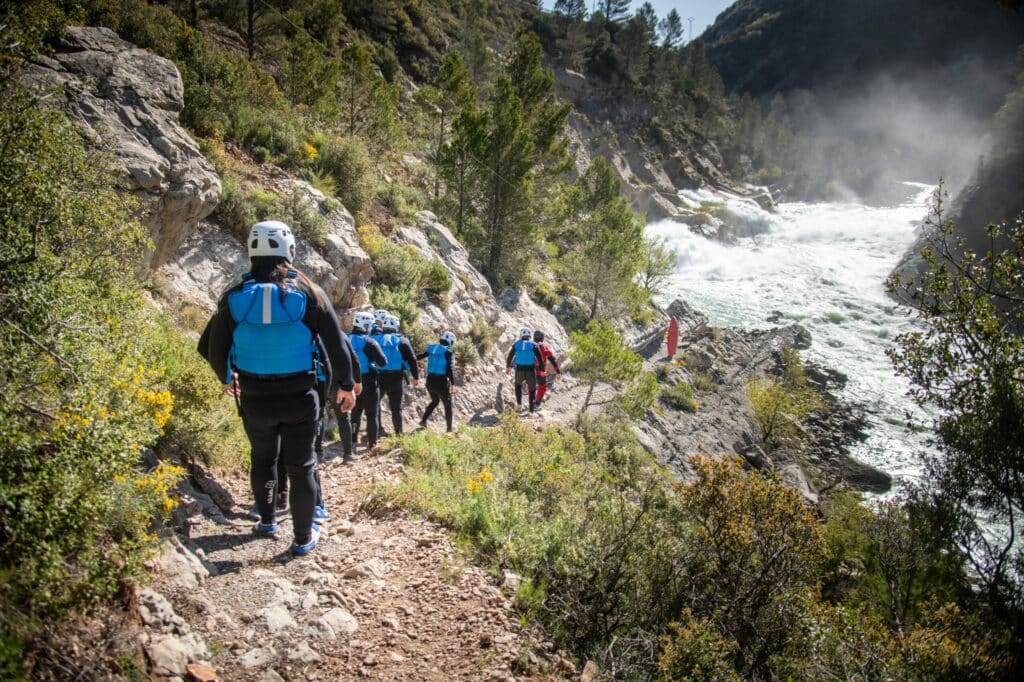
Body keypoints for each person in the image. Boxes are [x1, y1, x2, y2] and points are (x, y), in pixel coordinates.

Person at [201, 220, 355, 556]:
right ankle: (302, 538)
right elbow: (337, 343)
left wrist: (227, 378)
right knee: (301, 466)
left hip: (255, 396)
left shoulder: (234, 297)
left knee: (263, 458)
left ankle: (267, 521)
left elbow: (213, 347)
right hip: (300, 395)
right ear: (290, 251)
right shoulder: (309, 293)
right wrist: (345, 386)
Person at [344, 311, 387, 457]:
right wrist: (372, 363)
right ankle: (372, 443)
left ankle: (353, 440)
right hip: (369, 383)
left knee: (355, 414)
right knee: (372, 415)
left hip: (350, 384)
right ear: (366, 325)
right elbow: (383, 362)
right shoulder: (370, 342)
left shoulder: (345, 339)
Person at [372, 314, 419, 435]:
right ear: (396, 326)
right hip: (396, 378)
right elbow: (412, 359)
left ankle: (377, 430)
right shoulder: (402, 340)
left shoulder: (374, 339)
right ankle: (398, 434)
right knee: (396, 408)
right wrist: (415, 376)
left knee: (375, 404)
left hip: (378, 376)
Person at [417, 331, 456, 432]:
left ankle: (423, 420)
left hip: (429, 380)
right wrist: (452, 383)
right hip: (441, 381)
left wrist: (411, 358)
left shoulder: (433, 348)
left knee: (435, 401)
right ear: (451, 342)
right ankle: (449, 429)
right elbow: (450, 368)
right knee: (447, 405)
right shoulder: (449, 351)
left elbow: (421, 356)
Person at [505, 327, 543, 414]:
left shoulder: (516, 344)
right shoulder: (534, 345)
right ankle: (531, 411)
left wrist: (508, 367)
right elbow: (540, 359)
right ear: (530, 336)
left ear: (521, 335)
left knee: (518, 386)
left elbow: (510, 356)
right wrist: (542, 370)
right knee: (532, 389)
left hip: (519, 369)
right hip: (530, 369)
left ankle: (519, 406)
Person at [532, 329, 561, 407]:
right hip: (541, 371)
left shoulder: (530, 344)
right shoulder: (544, 346)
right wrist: (558, 371)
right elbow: (552, 360)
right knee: (543, 387)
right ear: (542, 338)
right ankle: (536, 404)